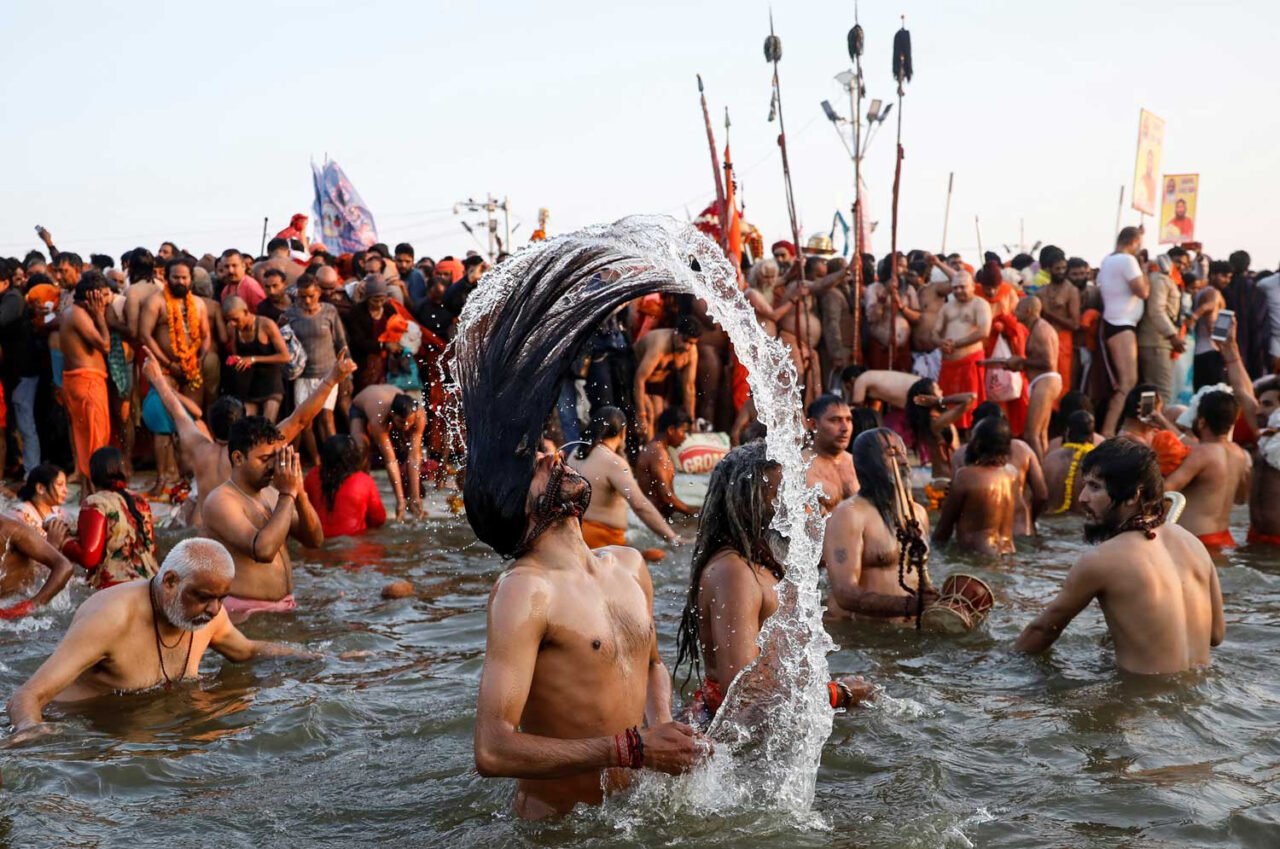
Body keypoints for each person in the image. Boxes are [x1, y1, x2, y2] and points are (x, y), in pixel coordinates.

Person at [6, 538, 315, 737]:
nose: (215, 609)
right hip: (86, 726)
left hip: (157, 724)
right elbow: (26, 697)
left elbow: (246, 651)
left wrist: (317, 658)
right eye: (205, 597)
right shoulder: (111, 616)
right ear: (169, 581)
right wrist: (32, 730)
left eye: (222, 598)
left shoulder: (209, 613)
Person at [673, 442, 870, 724]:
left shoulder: (760, 563)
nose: (797, 504)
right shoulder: (735, 573)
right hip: (729, 737)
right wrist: (839, 693)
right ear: (748, 499)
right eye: (783, 493)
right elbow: (742, 700)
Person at [1015, 438, 1224, 675]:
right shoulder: (1194, 544)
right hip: (1198, 699)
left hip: (1140, 703)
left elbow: (1043, 630)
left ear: (1133, 495)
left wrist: (999, 666)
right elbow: (1216, 635)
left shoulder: (1101, 560)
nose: (1082, 497)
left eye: (1095, 487)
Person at [200, 417, 324, 621]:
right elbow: (263, 550)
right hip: (245, 616)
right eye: (265, 459)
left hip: (282, 609)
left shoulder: (272, 493)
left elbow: (315, 540)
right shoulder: (220, 501)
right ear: (238, 458)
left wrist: (299, 491)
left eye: (276, 458)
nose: (273, 467)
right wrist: (287, 495)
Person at [823, 429, 936, 623]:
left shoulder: (917, 513)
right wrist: (909, 606)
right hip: (862, 639)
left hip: (904, 635)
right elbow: (844, 593)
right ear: (869, 465)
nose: (903, 461)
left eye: (903, 453)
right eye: (892, 454)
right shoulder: (849, 514)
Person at [566, 406, 684, 549]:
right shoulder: (614, 462)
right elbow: (640, 506)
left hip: (573, 534)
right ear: (622, 432)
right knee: (657, 555)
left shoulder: (575, 453)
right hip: (603, 540)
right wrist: (672, 537)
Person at [59, 447, 159, 590]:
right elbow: (151, 548)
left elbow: (89, 557)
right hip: (150, 583)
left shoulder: (96, 502)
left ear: (93, 474)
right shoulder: (140, 500)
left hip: (114, 589)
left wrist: (63, 542)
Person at [1164, 388, 1251, 549]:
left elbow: (1166, 491)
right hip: (1225, 538)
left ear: (1201, 421)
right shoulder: (1241, 455)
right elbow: (1241, 499)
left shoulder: (1201, 453)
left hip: (1197, 540)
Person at [952, 402, 1048, 536]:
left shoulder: (961, 454)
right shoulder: (1023, 449)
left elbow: (955, 507)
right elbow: (1042, 495)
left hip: (985, 540)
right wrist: (1031, 520)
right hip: (1023, 532)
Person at [283, 274, 350, 462]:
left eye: (311, 296)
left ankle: (336, 461)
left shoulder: (329, 311)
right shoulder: (290, 315)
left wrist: (347, 373)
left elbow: (340, 341)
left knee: (327, 419)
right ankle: (317, 461)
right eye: (302, 297)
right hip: (303, 375)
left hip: (328, 373)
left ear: (318, 293)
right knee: (305, 423)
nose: (307, 300)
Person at [986, 297, 1061, 458]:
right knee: (1040, 435)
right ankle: (1045, 469)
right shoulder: (1037, 327)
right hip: (1044, 380)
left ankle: (1040, 475)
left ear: (1027, 311)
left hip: (1046, 380)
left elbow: (1048, 362)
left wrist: (1022, 361)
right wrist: (1017, 364)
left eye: (1017, 310)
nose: (1014, 313)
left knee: (1031, 434)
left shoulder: (1041, 329)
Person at [59, 272, 114, 493]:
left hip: (83, 381)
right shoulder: (79, 314)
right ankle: (95, 498)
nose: (106, 300)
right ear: (93, 296)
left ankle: (87, 495)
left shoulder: (72, 313)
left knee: (88, 442)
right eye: (103, 296)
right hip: (86, 382)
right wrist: (100, 315)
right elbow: (105, 345)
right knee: (94, 444)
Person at [933, 415, 1018, 555]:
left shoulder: (965, 476)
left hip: (978, 558)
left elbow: (943, 529)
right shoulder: (1011, 474)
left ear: (977, 444)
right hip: (1009, 555)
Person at [1097, 227, 1150, 435]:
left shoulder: (1107, 260)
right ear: (1135, 241)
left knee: (1126, 382)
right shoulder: (1128, 261)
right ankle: (1108, 432)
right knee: (1127, 382)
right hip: (1121, 323)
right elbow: (1142, 291)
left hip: (1117, 322)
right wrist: (1144, 269)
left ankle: (1111, 429)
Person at [349, 385, 427, 521]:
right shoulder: (379, 418)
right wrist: (400, 500)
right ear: (392, 415)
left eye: (410, 422)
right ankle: (359, 492)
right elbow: (390, 460)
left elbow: (414, 457)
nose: (406, 426)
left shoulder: (420, 415)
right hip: (361, 406)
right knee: (361, 448)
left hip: (390, 395)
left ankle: (412, 501)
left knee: (406, 451)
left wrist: (415, 497)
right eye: (402, 422)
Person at [934, 269, 992, 430]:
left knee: (972, 405)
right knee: (947, 404)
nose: (958, 291)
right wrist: (941, 342)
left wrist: (956, 344)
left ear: (972, 286)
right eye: (955, 288)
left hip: (970, 361)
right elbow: (935, 331)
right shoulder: (947, 307)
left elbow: (983, 331)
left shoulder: (980, 304)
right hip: (949, 364)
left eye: (962, 287)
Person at [303, 434, 386, 538]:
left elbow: (302, 511)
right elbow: (379, 519)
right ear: (353, 457)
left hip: (318, 540)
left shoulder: (311, 476)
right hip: (353, 543)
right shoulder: (364, 481)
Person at [632, 316, 700, 441]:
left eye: (691, 343)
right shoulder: (660, 345)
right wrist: (640, 414)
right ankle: (650, 454)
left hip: (656, 382)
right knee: (649, 414)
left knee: (660, 416)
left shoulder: (691, 352)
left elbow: (689, 387)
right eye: (685, 340)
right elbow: (639, 379)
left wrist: (691, 421)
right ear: (676, 333)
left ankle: (657, 450)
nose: (687, 347)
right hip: (633, 375)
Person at [223, 295, 289, 422]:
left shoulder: (266, 325)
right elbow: (237, 354)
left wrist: (254, 359)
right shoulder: (232, 329)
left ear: (246, 312)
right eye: (229, 320)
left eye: (236, 319)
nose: (232, 323)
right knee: (247, 425)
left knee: (267, 424)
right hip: (249, 385)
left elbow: (285, 356)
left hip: (271, 383)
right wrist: (236, 360)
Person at [1137, 252, 1186, 404]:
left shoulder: (1168, 279)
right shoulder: (1159, 279)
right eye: (1178, 262)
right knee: (1160, 394)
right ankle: (1156, 427)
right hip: (1156, 342)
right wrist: (1172, 335)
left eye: (1185, 264)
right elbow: (1156, 311)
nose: (1181, 267)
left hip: (1159, 343)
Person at [905, 378, 976, 478]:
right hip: (946, 479)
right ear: (930, 396)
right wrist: (939, 401)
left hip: (943, 477)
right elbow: (971, 398)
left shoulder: (933, 420)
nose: (942, 391)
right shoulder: (936, 422)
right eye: (938, 389)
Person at [635, 407, 697, 520]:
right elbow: (666, 497)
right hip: (656, 520)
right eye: (683, 431)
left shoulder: (655, 449)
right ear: (671, 430)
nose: (684, 437)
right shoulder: (658, 454)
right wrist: (694, 514)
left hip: (658, 518)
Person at [803, 394, 858, 513]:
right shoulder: (799, 466)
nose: (845, 428)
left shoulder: (859, 463)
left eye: (849, 420)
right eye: (835, 420)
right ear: (813, 425)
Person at [1035, 246, 1080, 391]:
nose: (1061, 272)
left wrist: (1050, 314)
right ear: (1049, 269)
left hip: (1063, 341)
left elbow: (1075, 324)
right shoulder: (1041, 292)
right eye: (1057, 269)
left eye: (1063, 268)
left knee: (1062, 383)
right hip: (1043, 342)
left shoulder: (1071, 291)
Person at [1043, 410, 1097, 515]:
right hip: (1082, 525)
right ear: (1091, 435)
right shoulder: (1097, 460)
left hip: (1050, 524)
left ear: (1067, 431)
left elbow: (1040, 495)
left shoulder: (1050, 459)